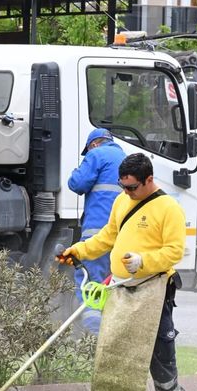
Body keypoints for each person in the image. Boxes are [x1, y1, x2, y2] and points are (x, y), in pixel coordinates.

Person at [60, 152, 187, 391]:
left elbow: (175, 251)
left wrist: (145, 261)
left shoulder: (169, 209)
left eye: (132, 187)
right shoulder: (122, 201)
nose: (127, 192)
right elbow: (107, 236)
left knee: (157, 344)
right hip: (121, 285)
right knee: (115, 341)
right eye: (123, 186)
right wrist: (79, 251)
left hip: (154, 285)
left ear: (149, 180)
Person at [66, 128, 125, 333]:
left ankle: (93, 334)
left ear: (94, 144)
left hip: (97, 230)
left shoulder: (96, 154)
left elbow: (77, 183)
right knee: (110, 283)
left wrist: (74, 172)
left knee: (88, 280)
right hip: (122, 234)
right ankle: (110, 330)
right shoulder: (125, 158)